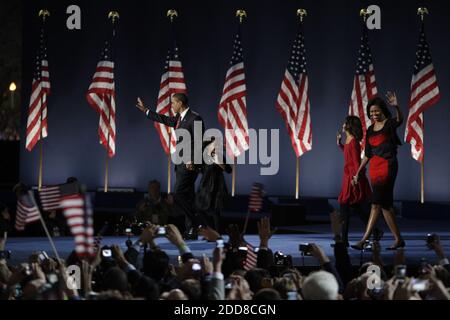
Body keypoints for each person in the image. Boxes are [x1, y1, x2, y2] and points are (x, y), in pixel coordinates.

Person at [135, 93, 205, 239]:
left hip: (190, 164)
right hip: (180, 164)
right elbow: (164, 119)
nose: (171, 105)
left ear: (180, 103)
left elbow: (200, 142)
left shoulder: (195, 118)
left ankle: (197, 222)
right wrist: (146, 110)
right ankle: (191, 230)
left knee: (178, 193)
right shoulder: (179, 119)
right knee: (188, 196)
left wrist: (193, 160)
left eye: (173, 103)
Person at [352, 92, 405, 250]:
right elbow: (367, 154)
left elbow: (400, 120)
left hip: (388, 167)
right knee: (385, 206)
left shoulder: (389, 124)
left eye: (376, 111)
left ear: (382, 110)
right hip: (374, 169)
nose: (373, 114)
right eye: (371, 112)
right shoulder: (369, 130)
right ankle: (398, 239)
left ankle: (364, 239)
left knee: (376, 204)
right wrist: (358, 172)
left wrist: (396, 106)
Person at [336, 116, 377, 247]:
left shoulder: (353, 141)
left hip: (352, 178)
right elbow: (347, 154)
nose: (343, 124)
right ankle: (376, 231)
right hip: (347, 176)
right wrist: (340, 144)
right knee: (355, 207)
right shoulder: (349, 140)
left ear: (349, 125)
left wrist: (356, 177)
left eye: (345, 122)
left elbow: (356, 162)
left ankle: (344, 240)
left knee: (345, 206)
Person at [195, 138, 232, 232]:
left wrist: (219, 163)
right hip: (205, 186)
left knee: (215, 211)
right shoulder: (203, 157)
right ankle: (211, 231)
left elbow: (229, 170)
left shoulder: (219, 156)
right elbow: (199, 170)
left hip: (217, 186)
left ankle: (217, 234)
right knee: (199, 209)